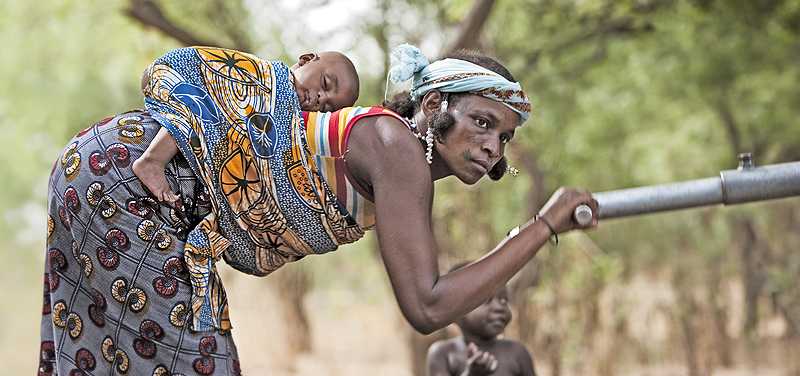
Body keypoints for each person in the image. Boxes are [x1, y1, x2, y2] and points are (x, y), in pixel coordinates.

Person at [40, 43, 597, 375]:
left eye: (503, 137)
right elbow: (427, 307)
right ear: (434, 106)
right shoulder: (394, 145)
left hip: (104, 172)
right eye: (482, 122)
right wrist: (544, 226)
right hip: (129, 182)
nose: (492, 148)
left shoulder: (392, 158)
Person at [132, 46, 360, 203]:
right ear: (306, 59)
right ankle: (152, 160)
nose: (321, 98)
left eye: (328, 108)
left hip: (171, 87)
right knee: (205, 106)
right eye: (325, 83)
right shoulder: (273, 79)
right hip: (178, 71)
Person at [426, 262, 536, 376]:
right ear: (453, 312)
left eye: (504, 300)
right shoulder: (443, 354)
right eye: (485, 299)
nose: (499, 307)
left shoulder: (517, 352)